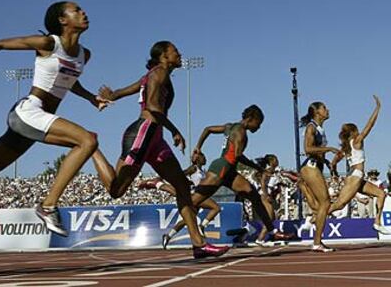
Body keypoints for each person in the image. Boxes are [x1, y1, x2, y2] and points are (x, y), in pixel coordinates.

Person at [0, 1, 106, 236]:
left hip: (37, 120)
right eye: (76, 10)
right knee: (87, 141)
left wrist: (90, 97)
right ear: (62, 20)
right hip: (28, 112)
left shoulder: (84, 55)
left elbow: (69, 79)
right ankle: (48, 206)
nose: (83, 12)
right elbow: (0, 44)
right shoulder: (47, 44)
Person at [92, 41, 229, 259]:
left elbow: (124, 91)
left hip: (155, 139)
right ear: (164, 56)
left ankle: (199, 244)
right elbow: (153, 108)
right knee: (116, 190)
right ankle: (92, 148)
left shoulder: (152, 75)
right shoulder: (160, 73)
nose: (180, 53)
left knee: (183, 186)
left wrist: (111, 94)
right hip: (143, 134)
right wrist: (175, 130)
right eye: (175, 51)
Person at [189, 105, 294, 244]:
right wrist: (258, 168)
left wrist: (198, 147)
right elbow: (238, 156)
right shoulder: (241, 132)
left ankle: (272, 231)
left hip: (229, 170)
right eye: (259, 123)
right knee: (193, 202)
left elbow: (207, 129)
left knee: (254, 196)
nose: (259, 127)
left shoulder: (230, 126)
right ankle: (187, 234)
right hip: (221, 169)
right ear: (251, 119)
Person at [329, 96, 389, 234]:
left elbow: (333, 162)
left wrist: (334, 171)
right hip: (355, 176)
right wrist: (377, 108)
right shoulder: (356, 141)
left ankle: (377, 222)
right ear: (354, 132)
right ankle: (313, 219)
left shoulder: (345, 147)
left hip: (357, 177)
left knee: (381, 194)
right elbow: (370, 126)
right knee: (339, 204)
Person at [139, 152, 221, 249]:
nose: (206, 159)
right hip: (194, 195)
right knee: (216, 207)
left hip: (198, 195)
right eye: (204, 157)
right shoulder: (193, 168)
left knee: (187, 220)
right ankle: (202, 226)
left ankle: (168, 236)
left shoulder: (203, 171)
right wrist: (187, 182)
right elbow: (181, 174)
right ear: (199, 158)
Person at [297, 102, 340, 252]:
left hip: (315, 166)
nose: (327, 110)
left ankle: (316, 237)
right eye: (324, 108)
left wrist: (326, 161)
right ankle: (317, 242)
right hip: (310, 167)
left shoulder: (320, 129)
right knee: (325, 202)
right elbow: (308, 149)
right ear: (316, 112)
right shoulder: (311, 127)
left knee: (322, 204)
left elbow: (316, 152)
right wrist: (329, 148)